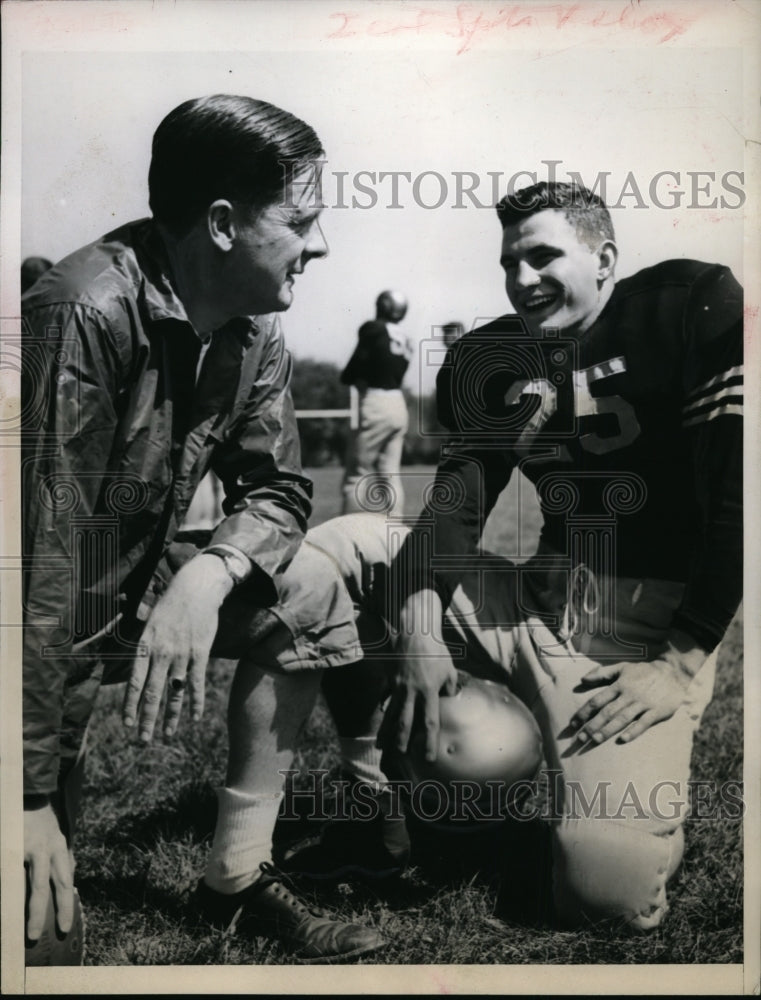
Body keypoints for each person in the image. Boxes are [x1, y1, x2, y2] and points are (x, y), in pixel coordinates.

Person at [22, 94, 384, 963]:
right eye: (301, 220)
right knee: (39, 949)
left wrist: (211, 570)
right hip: (31, 634)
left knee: (307, 590)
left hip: (125, 587)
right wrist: (26, 793)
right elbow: (39, 568)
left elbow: (283, 488)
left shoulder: (256, 329)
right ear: (222, 224)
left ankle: (237, 877)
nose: (322, 244)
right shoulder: (80, 309)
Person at [376, 181, 743, 929]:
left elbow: (740, 498)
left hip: (636, 637)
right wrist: (416, 624)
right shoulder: (496, 354)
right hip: (537, 598)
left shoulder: (686, 304)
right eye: (509, 261)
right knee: (340, 556)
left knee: (607, 891)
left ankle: (589, 810)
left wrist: (676, 663)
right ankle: (374, 795)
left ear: (604, 257)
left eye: (543, 255)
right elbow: (458, 501)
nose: (520, 279)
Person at [340, 290, 413, 517]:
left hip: (376, 403)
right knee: (390, 473)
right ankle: (395, 529)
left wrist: (352, 377)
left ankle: (346, 531)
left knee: (357, 473)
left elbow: (350, 372)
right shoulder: (406, 337)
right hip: (398, 404)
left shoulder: (373, 329)